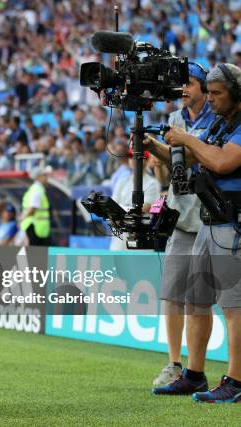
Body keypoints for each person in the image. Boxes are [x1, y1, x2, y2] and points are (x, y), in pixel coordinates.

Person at [148, 64, 241, 403]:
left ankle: (236, 380)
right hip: (210, 220)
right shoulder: (220, 122)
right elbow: (189, 159)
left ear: (236, 94)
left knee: (234, 307)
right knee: (195, 301)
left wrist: (186, 137)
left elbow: (221, 162)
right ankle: (195, 375)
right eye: (211, 93)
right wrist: (155, 145)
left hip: (234, 223)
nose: (212, 100)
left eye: (218, 93)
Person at [152, 63, 217, 387]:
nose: (183, 90)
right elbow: (165, 176)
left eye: (189, 83)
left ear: (204, 88)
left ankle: (196, 367)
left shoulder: (218, 118)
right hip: (180, 216)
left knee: (200, 298)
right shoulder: (174, 119)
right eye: (180, 85)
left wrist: (182, 143)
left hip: (208, 216)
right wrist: (155, 157)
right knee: (173, 295)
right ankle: (174, 364)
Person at [109, 151, 161, 251]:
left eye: (136, 158)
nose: (133, 160)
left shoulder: (153, 183)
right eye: (130, 157)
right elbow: (112, 204)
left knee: (140, 264)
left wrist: (120, 212)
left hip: (140, 232)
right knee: (117, 263)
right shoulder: (122, 181)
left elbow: (147, 207)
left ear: (146, 161)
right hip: (120, 231)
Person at [19, 165, 52, 246]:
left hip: (37, 228)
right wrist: (21, 218)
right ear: (39, 177)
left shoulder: (36, 189)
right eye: (44, 175)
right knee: (36, 255)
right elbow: (32, 208)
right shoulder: (37, 190)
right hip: (35, 227)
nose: (46, 177)